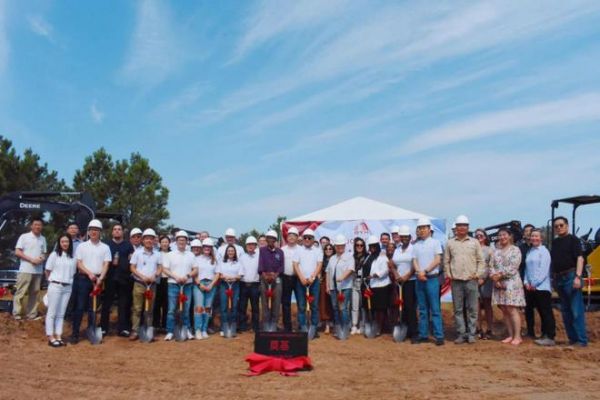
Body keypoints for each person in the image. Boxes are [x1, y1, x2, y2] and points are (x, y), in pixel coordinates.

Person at [444, 215, 485, 344]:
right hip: (456, 281)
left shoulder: (474, 242)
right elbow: (446, 261)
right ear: (456, 228)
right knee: (458, 309)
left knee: (472, 308)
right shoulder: (450, 243)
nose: (461, 228)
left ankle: (472, 333)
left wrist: (477, 274)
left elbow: (481, 260)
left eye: (464, 225)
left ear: (468, 227)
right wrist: (449, 274)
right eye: (459, 225)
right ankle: (461, 333)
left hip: (471, 280)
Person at [70, 219, 112, 344]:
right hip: (83, 280)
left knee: (93, 308)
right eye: (92, 230)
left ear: (100, 232)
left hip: (98, 281)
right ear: (88, 231)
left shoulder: (105, 247)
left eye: (96, 230)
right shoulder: (82, 246)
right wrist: (90, 274)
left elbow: (106, 264)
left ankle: (91, 331)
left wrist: (100, 278)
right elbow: (79, 263)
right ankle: (75, 334)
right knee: (80, 307)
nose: (94, 232)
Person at [551, 216, 588, 347]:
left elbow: (580, 258)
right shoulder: (555, 243)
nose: (559, 228)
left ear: (567, 226)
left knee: (576, 310)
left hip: (571, 277)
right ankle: (572, 339)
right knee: (566, 311)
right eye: (556, 226)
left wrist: (578, 277)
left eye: (561, 225)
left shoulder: (574, 240)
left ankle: (581, 340)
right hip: (559, 278)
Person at [490, 228, 526, 346]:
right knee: (504, 310)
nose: (502, 237)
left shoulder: (515, 250)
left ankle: (517, 336)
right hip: (498, 284)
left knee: (512, 309)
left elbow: (514, 266)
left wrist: (499, 275)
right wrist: (494, 278)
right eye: (500, 235)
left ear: (510, 236)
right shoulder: (496, 251)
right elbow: (491, 266)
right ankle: (510, 335)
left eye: (504, 235)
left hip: (511, 283)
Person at [412, 218, 444, 345]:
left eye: (424, 228)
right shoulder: (416, 245)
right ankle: (423, 334)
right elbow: (414, 260)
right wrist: (419, 272)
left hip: (431, 279)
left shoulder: (435, 243)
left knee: (435, 309)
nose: (422, 230)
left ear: (429, 229)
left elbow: (437, 260)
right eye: (420, 228)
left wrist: (424, 271)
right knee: (422, 309)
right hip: (419, 279)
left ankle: (439, 336)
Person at [162, 230, 196, 341]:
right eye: (179, 240)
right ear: (176, 241)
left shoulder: (191, 255)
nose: (181, 242)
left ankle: (187, 330)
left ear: (187, 242)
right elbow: (165, 269)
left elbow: (195, 270)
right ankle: (170, 331)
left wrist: (187, 276)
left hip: (187, 285)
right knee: (171, 310)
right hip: (173, 285)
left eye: (184, 240)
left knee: (186, 309)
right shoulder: (169, 255)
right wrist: (175, 277)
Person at [524, 229, 556, 346]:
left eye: (537, 236)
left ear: (541, 238)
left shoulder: (544, 251)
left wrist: (535, 283)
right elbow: (527, 270)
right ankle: (543, 334)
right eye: (532, 236)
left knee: (545, 311)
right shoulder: (530, 252)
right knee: (536, 311)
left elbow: (543, 270)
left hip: (542, 287)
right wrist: (526, 282)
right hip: (530, 287)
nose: (534, 238)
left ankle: (550, 335)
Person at [44, 234, 76, 347]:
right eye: (62, 241)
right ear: (59, 243)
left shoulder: (72, 257)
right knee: (52, 312)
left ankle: (58, 335)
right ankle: (50, 336)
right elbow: (47, 270)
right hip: (55, 286)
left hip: (67, 287)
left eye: (67, 241)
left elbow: (73, 273)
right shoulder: (54, 255)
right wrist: (51, 282)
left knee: (61, 314)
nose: (65, 244)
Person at [103, 223, 135, 337]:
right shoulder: (106, 245)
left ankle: (123, 328)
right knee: (107, 304)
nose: (117, 231)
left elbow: (131, 260)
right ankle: (103, 328)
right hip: (109, 278)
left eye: (119, 229)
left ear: (122, 232)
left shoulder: (128, 245)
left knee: (123, 304)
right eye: (115, 229)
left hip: (124, 279)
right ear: (112, 232)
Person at [129, 229, 161, 341]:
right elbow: (132, 267)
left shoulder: (157, 254)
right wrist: (142, 276)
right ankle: (135, 331)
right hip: (139, 284)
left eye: (151, 238)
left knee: (150, 309)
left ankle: (148, 329)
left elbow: (160, 267)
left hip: (152, 285)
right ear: (143, 240)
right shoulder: (137, 253)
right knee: (137, 309)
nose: (149, 240)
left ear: (154, 240)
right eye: (147, 238)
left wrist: (155, 275)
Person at [14, 217, 47, 321]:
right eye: (36, 224)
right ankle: (17, 314)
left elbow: (44, 253)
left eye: (40, 225)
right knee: (21, 292)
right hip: (25, 269)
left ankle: (32, 314)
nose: (38, 226)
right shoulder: (24, 237)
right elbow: (18, 252)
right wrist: (31, 260)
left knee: (35, 293)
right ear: (31, 226)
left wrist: (41, 259)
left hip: (38, 271)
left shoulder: (43, 239)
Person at [293, 229, 323, 337]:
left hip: (313, 282)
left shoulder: (318, 250)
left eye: (309, 238)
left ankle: (313, 327)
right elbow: (295, 265)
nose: (307, 239)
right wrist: (301, 277)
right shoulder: (298, 250)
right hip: (300, 281)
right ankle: (303, 327)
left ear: (313, 239)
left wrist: (313, 277)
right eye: (305, 237)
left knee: (314, 305)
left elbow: (319, 264)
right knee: (301, 306)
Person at [392, 225, 418, 342]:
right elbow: (391, 264)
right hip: (399, 282)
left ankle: (414, 333)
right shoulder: (397, 250)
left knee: (410, 307)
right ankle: (405, 330)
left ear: (410, 237)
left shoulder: (413, 249)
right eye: (402, 237)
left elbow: (415, 264)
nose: (404, 239)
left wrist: (407, 276)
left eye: (406, 237)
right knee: (401, 306)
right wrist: (396, 274)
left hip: (410, 281)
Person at [326, 234, 354, 335]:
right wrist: (327, 286)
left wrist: (342, 277)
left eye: (341, 245)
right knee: (335, 308)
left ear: (345, 245)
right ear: (335, 247)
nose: (339, 247)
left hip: (345, 287)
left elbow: (351, 269)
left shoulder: (349, 257)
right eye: (338, 246)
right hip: (333, 288)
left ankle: (345, 327)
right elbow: (328, 272)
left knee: (343, 308)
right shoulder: (332, 258)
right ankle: (337, 327)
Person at [192, 238, 219, 339]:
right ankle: (198, 330)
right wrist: (200, 285)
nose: (207, 248)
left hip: (211, 284)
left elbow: (217, 274)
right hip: (199, 284)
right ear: (202, 248)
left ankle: (204, 329)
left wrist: (211, 285)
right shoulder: (196, 259)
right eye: (205, 247)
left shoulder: (214, 260)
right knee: (199, 307)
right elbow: (194, 273)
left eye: (209, 247)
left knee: (207, 308)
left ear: (211, 248)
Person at [258, 230, 283, 332]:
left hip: (276, 279)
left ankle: (274, 323)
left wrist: (275, 275)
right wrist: (265, 275)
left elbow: (282, 266)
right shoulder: (261, 251)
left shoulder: (280, 252)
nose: (271, 240)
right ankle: (266, 323)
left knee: (276, 302)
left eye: (273, 239)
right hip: (264, 279)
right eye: (269, 238)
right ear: (266, 239)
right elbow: (260, 265)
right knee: (264, 302)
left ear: (275, 240)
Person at [367, 235, 391, 336]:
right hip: (373, 286)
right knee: (374, 308)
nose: (372, 248)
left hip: (382, 285)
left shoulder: (382, 256)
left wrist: (377, 275)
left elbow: (386, 270)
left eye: (374, 246)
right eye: (370, 246)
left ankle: (380, 328)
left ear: (377, 246)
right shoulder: (369, 257)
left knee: (381, 308)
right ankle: (376, 326)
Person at [217, 244, 242, 336]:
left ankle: (232, 327)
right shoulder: (222, 262)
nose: (230, 252)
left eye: (232, 251)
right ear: (226, 253)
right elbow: (219, 274)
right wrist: (225, 277)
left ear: (235, 252)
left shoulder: (238, 263)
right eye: (229, 251)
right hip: (224, 285)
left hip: (235, 285)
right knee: (224, 307)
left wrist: (233, 278)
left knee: (234, 307)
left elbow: (240, 275)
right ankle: (224, 328)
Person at [474, 229, 494, 339]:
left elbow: (491, 266)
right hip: (474, 280)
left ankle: (490, 329)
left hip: (486, 281)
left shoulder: (490, 250)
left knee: (487, 305)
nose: (479, 237)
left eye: (481, 235)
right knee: (475, 305)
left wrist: (484, 279)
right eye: (477, 235)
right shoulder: (472, 249)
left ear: (485, 237)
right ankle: (478, 328)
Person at [239, 236, 260, 332]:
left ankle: (255, 326)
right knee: (242, 306)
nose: (250, 246)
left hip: (255, 285)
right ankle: (242, 326)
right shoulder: (242, 257)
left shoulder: (259, 256)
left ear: (256, 246)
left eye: (252, 244)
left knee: (255, 307)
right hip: (243, 285)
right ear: (246, 246)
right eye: (249, 245)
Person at [281, 227, 300, 331]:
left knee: (301, 303)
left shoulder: (301, 249)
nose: (291, 237)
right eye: (289, 235)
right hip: (285, 278)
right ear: (287, 237)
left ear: (297, 237)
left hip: (297, 278)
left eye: (294, 235)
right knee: (286, 303)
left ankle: (300, 325)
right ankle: (287, 326)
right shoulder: (282, 250)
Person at [351, 238, 368, 335]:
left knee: (363, 306)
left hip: (364, 283)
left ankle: (362, 325)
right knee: (355, 306)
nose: (359, 247)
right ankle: (354, 325)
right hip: (354, 283)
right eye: (357, 245)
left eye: (361, 245)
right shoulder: (352, 257)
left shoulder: (367, 257)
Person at [153, 235, 170, 333]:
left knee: (166, 304)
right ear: (160, 243)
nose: (164, 244)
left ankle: (164, 325)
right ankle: (155, 325)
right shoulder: (156, 253)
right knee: (157, 303)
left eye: (166, 242)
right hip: (158, 280)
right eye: (163, 242)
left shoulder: (172, 254)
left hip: (168, 280)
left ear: (169, 243)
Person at [319, 243, 335, 334]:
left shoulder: (336, 259)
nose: (328, 250)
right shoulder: (322, 260)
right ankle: (327, 325)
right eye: (326, 249)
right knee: (324, 304)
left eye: (330, 249)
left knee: (334, 304)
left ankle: (335, 324)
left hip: (335, 283)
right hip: (324, 283)